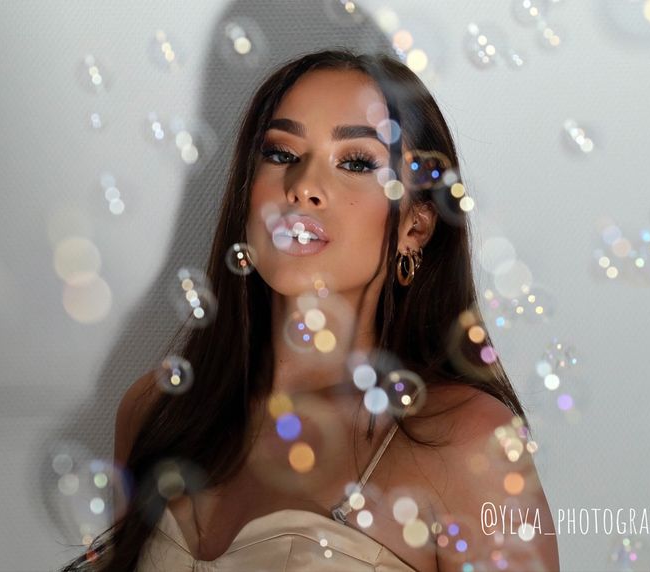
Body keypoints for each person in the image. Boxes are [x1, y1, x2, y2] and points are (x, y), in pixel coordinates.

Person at [61, 48, 560, 571]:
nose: (302, 188)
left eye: (356, 162)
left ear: (416, 226)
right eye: (280, 153)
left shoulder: (470, 442)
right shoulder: (155, 410)